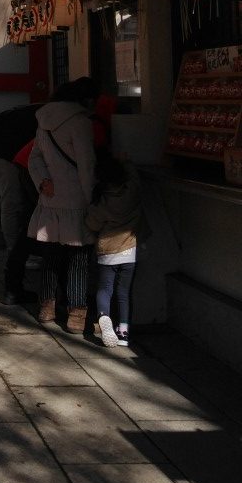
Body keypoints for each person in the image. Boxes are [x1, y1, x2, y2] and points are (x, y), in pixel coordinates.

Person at [27, 77, 97, 332]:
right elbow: (86, 167)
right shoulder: (80, 123)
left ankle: (46, 308)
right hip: (76, 200)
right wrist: (92, 201)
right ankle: (76, 316)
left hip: (50, 199)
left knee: (51, 258)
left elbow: (34, 158)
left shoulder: (43, 122)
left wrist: (42, 182)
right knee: (78, 260)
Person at [0, 103, 41, 305]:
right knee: (12, 201)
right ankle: (14, 249)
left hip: (4, 146)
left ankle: (18, 252)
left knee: (16, 202)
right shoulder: (54, 117)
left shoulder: (43, 112)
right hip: (3, 150)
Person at [86, 146, 143, 347]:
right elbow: (135, 178)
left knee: (104, 289)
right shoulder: (133, 191)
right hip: (129, 250)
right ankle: (124, 333)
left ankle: (103, 317)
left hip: (107, 251)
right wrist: (125, 162)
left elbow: (92, 224)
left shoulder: (101, 201)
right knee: (124, 293)